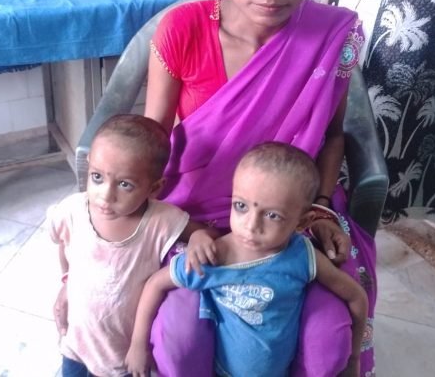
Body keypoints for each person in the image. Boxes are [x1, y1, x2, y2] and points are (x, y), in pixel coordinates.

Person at [143, 0, 376, 375]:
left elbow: (331, 135)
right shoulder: (183, 30)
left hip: (290, 216)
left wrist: (320, 210)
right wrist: (187, 231)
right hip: (194, 221)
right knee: (180, 341)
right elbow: (149, 150)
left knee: (327, 342)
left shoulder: (330, 35)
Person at [126, 143, 368, 377]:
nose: (251, 226)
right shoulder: (214, 256)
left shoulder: (302, 256)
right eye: (241, 206)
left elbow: (356, 296)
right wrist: (138, 345)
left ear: (302, 222)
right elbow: (155, 284)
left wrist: (354, 358)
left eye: (272, 215)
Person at [48, 114, 211, 377]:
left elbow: (202, 232)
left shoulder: (161, 220)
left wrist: (199, 237)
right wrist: (66, 281)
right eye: (97, 177)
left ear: (154, 188)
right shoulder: (72, 211)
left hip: (121, 355)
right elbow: (63, 245)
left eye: (125, 184)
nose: (106, 195)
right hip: (76, 344)